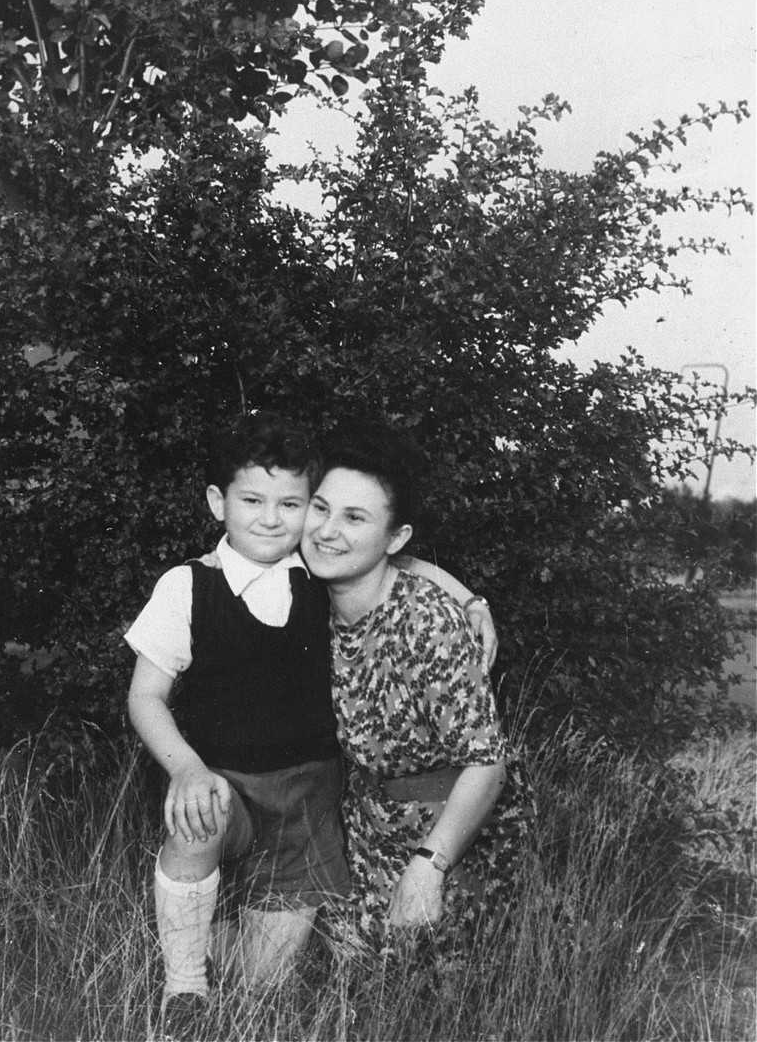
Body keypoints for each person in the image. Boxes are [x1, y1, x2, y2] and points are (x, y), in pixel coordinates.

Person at [125, 413, 497, 1028]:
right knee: (200, 818)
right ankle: (182, 987)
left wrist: (470, 600)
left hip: (309, 805)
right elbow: (145, 696)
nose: (272, 519)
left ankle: (222, 980)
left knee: (258, 992)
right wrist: (187, 768)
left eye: (291, 504)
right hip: (229, 786)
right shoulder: (189, 585)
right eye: (252, 501)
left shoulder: (309, 568)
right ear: (219, 503)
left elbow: (400, 565)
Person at [302, 425, 532, 948]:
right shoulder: (308, 594)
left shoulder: (426, 622)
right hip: (366, 825)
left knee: (429, 989)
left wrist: (431, 865)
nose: (327, 530)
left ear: (395, 536)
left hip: (457, 831)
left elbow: (487, 763)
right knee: (336, 974)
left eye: (355, 518)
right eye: (320, 508)